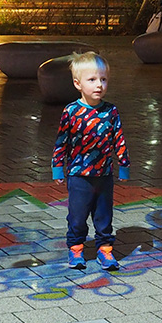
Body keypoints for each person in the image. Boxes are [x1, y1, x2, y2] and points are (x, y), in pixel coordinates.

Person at [52, 52, 130, 271]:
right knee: (77, 216)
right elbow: (62, 141)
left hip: (104, 176)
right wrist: (58, 167)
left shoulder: (111, 111)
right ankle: (76, 248)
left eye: (103, 79)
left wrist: (123, 165)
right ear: (77, 83)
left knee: (104, 216)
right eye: (92, 80)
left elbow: (119, 139)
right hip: (78, 176)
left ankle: (105, 250)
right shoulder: (71, 111)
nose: (99, 85)